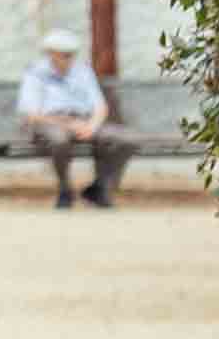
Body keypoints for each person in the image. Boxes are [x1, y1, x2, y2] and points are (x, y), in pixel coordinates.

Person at [14, 29, 131, 209]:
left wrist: (92, 126)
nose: (69, 59)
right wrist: (69, 124)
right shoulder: (35, 73)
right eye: (65, 55)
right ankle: (64, 188)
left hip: (84, 121)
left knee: (125, 140)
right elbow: (32, 114)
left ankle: (99, 188)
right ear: (51, 54)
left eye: (72, 55)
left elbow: (100, 106)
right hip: (49, 122)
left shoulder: (82, 71)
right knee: (59, 140)